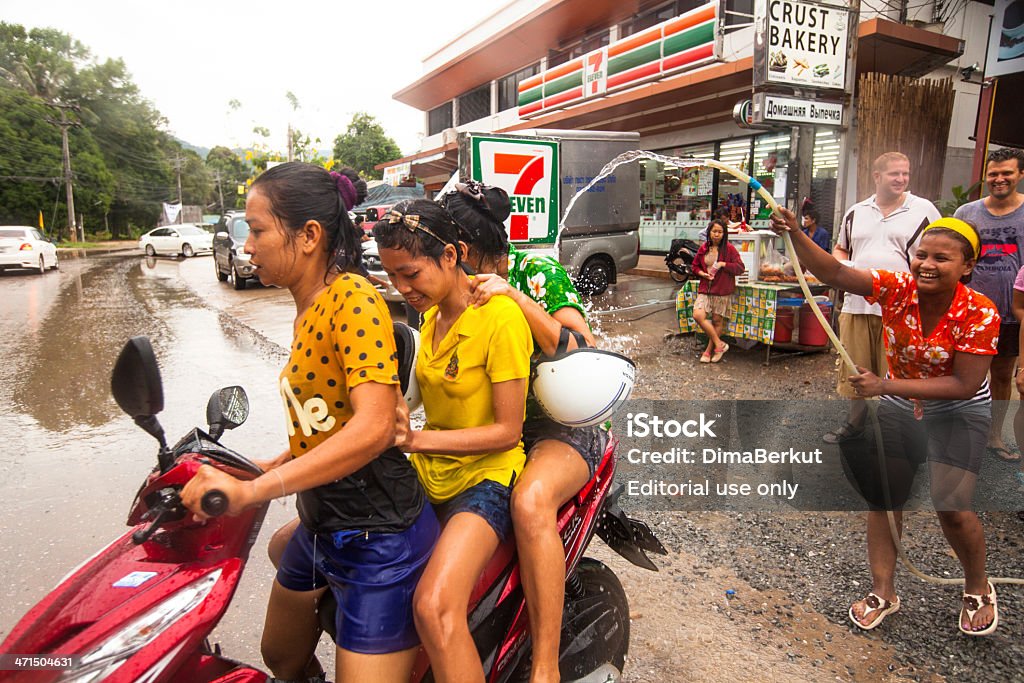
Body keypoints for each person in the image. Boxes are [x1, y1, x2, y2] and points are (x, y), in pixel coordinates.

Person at [180, 162, 439, 683]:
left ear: (309, 236)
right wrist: (251, 471)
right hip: (323, 523)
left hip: (377, 539)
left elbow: (371, 429)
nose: (247, 246)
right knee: (281, 656)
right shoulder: (307, 310)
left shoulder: (354, 300)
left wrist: (258, 492)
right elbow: (323, 427)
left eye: (257, 230)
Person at [771, 207, 1000, 636]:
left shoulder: (980, 312)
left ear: (967, 266)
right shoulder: (897, 288)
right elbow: (834, 273)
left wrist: (885, 386)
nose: (927, 265)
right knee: (885, 497)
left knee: (951, 507)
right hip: (900, 406)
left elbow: (965, 384)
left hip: (957, 411)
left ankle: (977, 585)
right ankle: (884, 591)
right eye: (922, 255)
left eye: (941, 259)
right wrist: (797, 233)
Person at [442, 181, 607, 683]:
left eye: (444, 251)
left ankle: (545, 666)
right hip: (494, 429)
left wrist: (512, 296)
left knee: (531, 501)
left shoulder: (536, 273)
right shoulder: (453, 291)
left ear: (463, 251)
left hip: (558, 427)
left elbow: (582, 345)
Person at [373, 199, 534, 683]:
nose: (402, 288)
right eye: (393, 277)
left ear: (452, 254)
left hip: (487, 478)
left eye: (410, 274)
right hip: (430, 470)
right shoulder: (429, 317)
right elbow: (415, 399)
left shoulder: (501, 318)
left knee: (434, 606)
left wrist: (415, 439)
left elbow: (507, 431)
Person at [824, 152, 941, 444]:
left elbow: (940, 249)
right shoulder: (857, 211)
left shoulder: (923, 209)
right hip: (857, 303)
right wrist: (847, 266)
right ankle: (855, 425)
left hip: (903, 308)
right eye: (894, 174)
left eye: (905, 173)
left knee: (901, 373)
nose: (901, 179)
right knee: (855, 367)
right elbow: (841, 249)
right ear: (877, 177)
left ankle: (898, 434)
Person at [955, 147, 1024, 462]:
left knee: (1001, 375)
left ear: (1020, 175)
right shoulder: (966, 214)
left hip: (1012, 312)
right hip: (970, 312)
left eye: (1006, 173)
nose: (999, 179)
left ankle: (993, 436)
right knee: (960, 373)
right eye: (993, 173)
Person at [691, 219, 745, 363]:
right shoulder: (704, 248)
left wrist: (723, 264)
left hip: (722, 290)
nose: (716, 234)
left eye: (720, 232)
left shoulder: (729, 249)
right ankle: (719, 344)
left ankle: (709, 351)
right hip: (705, 289)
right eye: (714, 231)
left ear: (724, 234)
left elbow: (740, 268)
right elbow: (694, 266)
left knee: (716, 320)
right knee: (698, 315)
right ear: (709, 232)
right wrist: (702, 274)